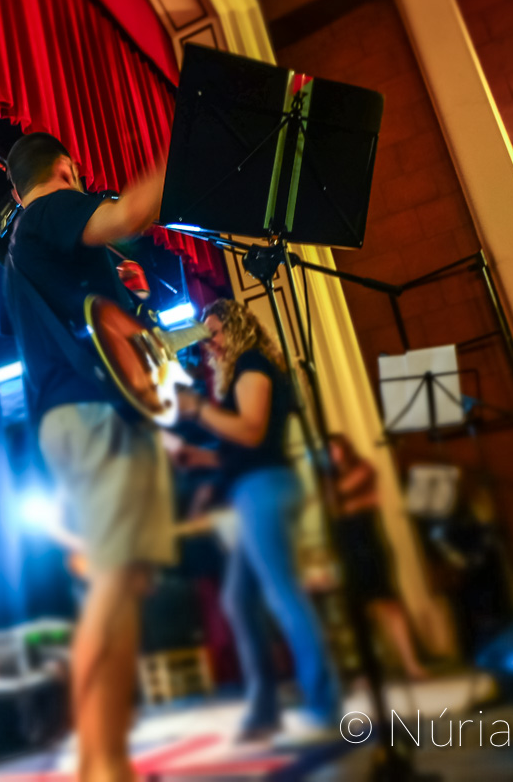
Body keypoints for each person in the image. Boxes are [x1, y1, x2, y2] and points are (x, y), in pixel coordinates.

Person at [3, 133, 174, 781]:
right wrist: (184, 153)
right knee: (114, 584)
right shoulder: (50, 209)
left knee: (122, 583)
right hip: (92, 409)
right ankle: (97, 765)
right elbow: (130, 214)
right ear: (66, 169)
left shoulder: (29, 243)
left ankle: (108, 758)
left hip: (75, 414)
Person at [172, 299, 341, 744]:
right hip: (256, 487)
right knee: (239, 599)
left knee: (282, 595)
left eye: (214, 332)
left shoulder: (252, 363)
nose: (209, 343)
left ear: (236, 328)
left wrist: (198, 409)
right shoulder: (243, 372)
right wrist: (199, 457)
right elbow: (242, 450)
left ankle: (323, 704)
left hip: (264, 490)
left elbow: (250, 431)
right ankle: (266, 707)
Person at [328, 434, 428, 681]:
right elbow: (333, 504)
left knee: (390, 602)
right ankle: (370, 670)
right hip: (345, 546)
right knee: (358, 611)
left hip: (369, 541)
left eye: (334, 448)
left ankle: (411, 663)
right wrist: (346, 503)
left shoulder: (363, 468)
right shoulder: (327, 476)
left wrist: (346, 503)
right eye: (328, 450)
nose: (331, 454)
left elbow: (358, 498)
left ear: (345, 448)